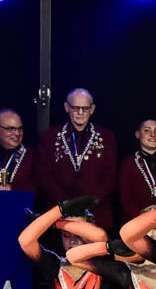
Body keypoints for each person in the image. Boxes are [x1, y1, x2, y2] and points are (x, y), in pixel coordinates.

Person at [36, 88, 118, 227]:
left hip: (96, 213)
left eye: (85, 108)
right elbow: (44, 175)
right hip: (59, 212)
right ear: (67, 107)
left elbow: (110, 177)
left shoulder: (107, 137)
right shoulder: (49, 137)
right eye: (75, 108)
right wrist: (67, 205)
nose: (80, 113)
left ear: (92, 109)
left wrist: (88, 203)